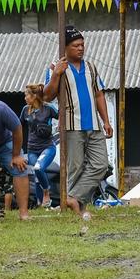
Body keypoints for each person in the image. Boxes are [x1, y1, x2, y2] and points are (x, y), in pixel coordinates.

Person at [41, 25, 113, 216]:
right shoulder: (56, 68)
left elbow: (99, 94)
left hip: (94, 125)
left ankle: (72, 197)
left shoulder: (91, 67)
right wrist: (56, 73)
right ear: (65, 48)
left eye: (82, 45)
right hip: (71, 125)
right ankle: (78, 208)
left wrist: (106, 120)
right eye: (76, 45)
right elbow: (47, 96)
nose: (81, 48)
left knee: (101, 165)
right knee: (75, 167)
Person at [20, 84, 58, 208]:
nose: (25, 97)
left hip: (47, 146)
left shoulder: (48, 108)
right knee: (37, 176)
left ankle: (46, 192)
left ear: (34, 96)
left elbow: (62, 116)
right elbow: (17, 127)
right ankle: (41, 204)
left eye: (26, 95)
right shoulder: (25, 110)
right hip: (32, 149)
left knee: (38, 168)